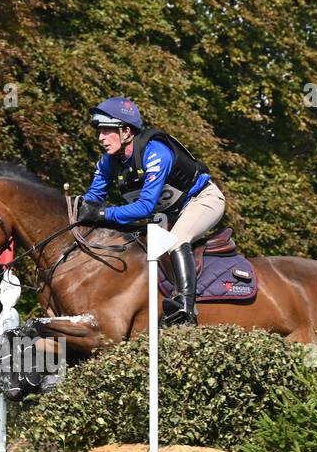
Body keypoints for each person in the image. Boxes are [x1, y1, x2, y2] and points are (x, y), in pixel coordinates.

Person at [72, 97, 225, 326]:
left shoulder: (156, 153)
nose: (100, 137)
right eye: (99, 131)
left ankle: (185, 309)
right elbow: (93, 200)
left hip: (202, 200)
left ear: (126, 131)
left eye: (106, 131)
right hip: (167, 215)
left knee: (176, 240)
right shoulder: (107, 162)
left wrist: (103, 215)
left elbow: (145, 207)